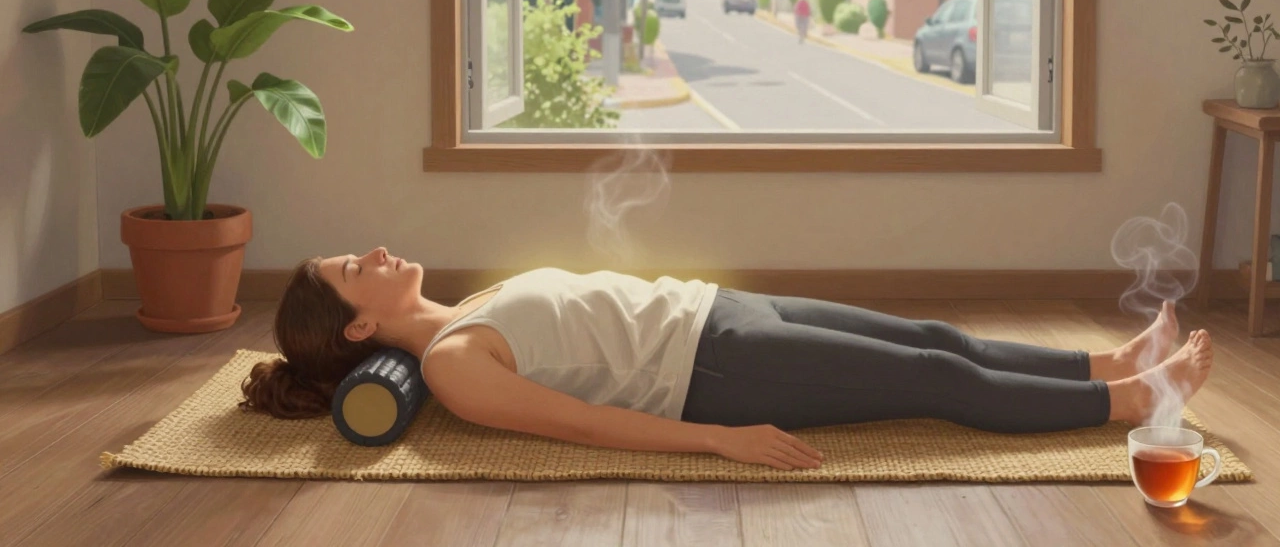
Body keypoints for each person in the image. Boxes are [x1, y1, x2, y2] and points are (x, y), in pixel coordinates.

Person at [240, 248, 1214, 472]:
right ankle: (1127, 408)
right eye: (350, 269)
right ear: (357, 330)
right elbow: (579, 424)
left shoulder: (473, 303)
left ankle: (1101, 362)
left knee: (934, 339)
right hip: (716, 369)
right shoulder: (453, 361)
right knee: (935, 385)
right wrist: (715, 441)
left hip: (717, 308)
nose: (371, 254)